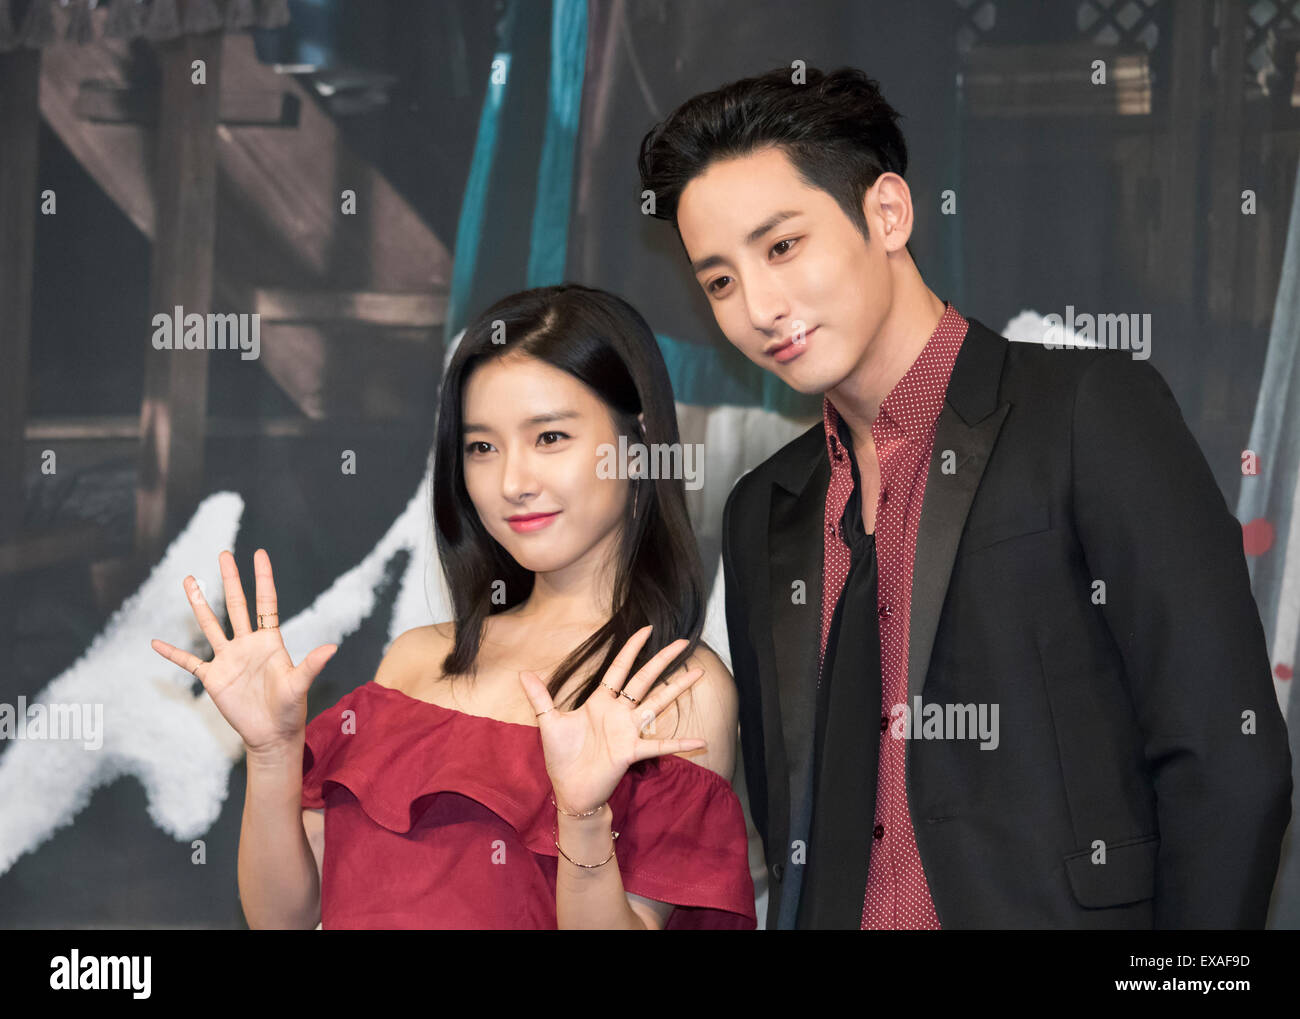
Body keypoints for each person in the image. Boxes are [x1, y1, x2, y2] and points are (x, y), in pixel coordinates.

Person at [636, 65, 1293, 929]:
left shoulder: (1087, 410)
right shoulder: (766, 506)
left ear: (888, 213)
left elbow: (1226, 754)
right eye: (719, 280)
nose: (760, 305)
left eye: (783, 246)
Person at [150, 283, 756, 930]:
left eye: (549, 437)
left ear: (639, 446)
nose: (513, 482)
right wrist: (272, 754)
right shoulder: (415, 659)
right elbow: (285, 916)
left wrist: (582, 821)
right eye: (481, 447)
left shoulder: (673, 690)